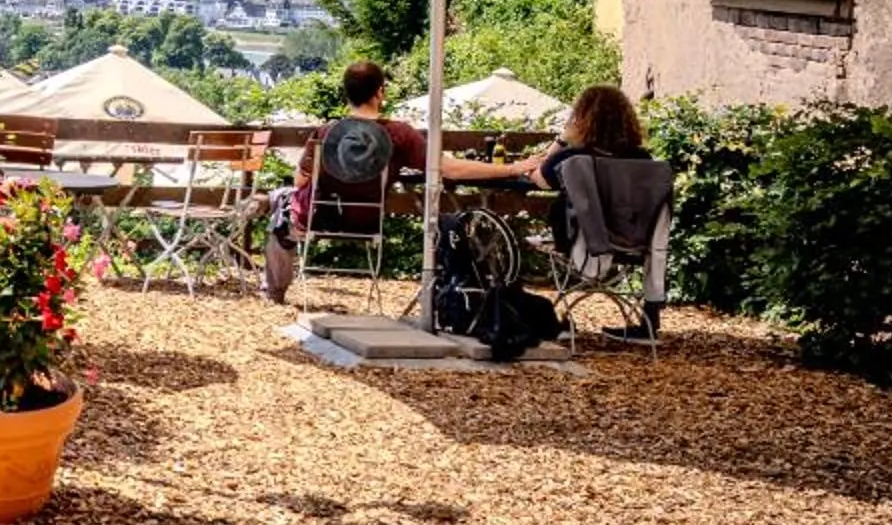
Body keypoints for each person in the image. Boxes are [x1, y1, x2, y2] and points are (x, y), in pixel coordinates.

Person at [262, 60, 525, 300]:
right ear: (380, 92)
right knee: (282, 200)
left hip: (319, 218)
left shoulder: (326, 133)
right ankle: (268, 201)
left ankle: (274, 290)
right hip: (367, 221)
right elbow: (451, 169)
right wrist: (513, 168)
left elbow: (300, 182)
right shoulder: (399, 135)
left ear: (347, 94)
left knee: (282, 210)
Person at [510, 83, 665, 338]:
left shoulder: (574, 158)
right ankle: (648, 323)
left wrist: (561, 140)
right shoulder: (644, 160)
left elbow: (541, 178)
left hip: (583, 242)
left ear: (582, 118)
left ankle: (548, 319)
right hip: (636, 241)